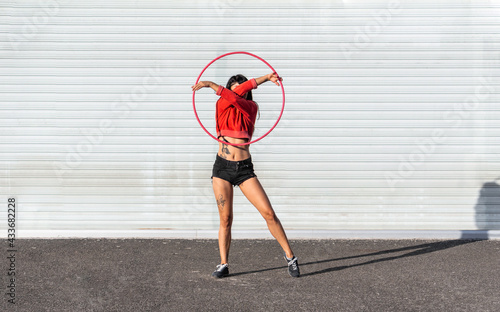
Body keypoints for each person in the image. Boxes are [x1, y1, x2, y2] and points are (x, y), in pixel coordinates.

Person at [191, 72, 300, 278]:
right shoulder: (222, 104)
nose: (236, 90)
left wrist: (210, 84)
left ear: (247, 92)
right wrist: (263, 79)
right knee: (226, 219)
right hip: (222, 168)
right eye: (232, 87)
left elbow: (237, 95)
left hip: (244, 169)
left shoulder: (251, 108)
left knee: (269, 213)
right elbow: (231, 96)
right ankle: (223, 264)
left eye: (241, 88)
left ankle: (290, 256)